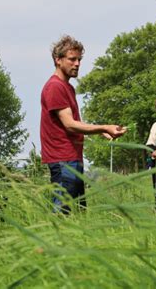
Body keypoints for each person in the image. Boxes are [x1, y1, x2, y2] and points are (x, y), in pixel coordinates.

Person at [40, 35, 126, 213]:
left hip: (73, 158)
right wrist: (103, 127)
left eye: (79, 59)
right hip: (63, 159)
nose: (77, 63)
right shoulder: (55, 87)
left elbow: (73, 124)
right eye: (72, 59)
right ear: (58, 60)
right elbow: (70, 125)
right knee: (63, 214)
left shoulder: (67, 87)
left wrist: (100, 132)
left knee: (77, 215)